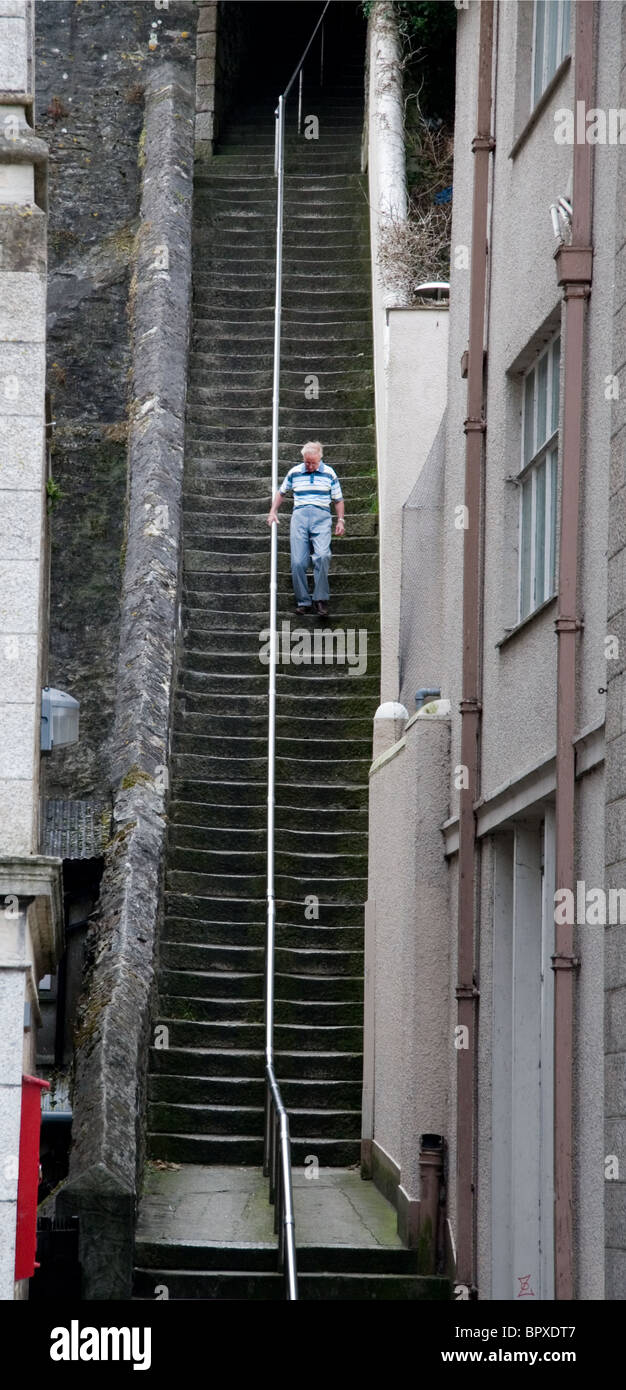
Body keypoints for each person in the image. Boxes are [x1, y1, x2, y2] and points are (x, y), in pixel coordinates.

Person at [266, 440, 345, 617]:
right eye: (307, 462)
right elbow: (281, 492)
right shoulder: (294, 472)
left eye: (313, 462)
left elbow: (338, 500)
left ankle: (320, 599)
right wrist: (273, 511)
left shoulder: (329, 473)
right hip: (300, 517)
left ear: (320, 459)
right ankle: (303, 601)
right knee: (298, 562)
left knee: (323, 556)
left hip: (322, 517)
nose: (309, 466)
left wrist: (341, 520)